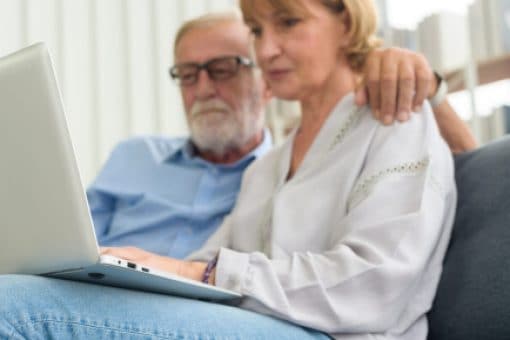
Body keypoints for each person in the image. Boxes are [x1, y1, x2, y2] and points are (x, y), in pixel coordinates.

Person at [0, 2, 457, 339]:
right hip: (263, 322)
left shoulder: (397, 119)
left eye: (289, 22)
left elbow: (375, 287)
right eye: (257, 31)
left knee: (13, 308)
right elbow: (208, 262)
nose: (268, 49)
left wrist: (200, 272)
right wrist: (133, 266)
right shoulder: (270, 167)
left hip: (336, 334)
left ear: (348, 20)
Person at [87, 10, 474, 259]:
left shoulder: (383, 130)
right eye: (187, 76)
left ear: (264, 85)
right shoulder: (268, 173)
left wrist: (427, 87)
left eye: (223, 69)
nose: (202, 89)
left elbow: (472, 173)